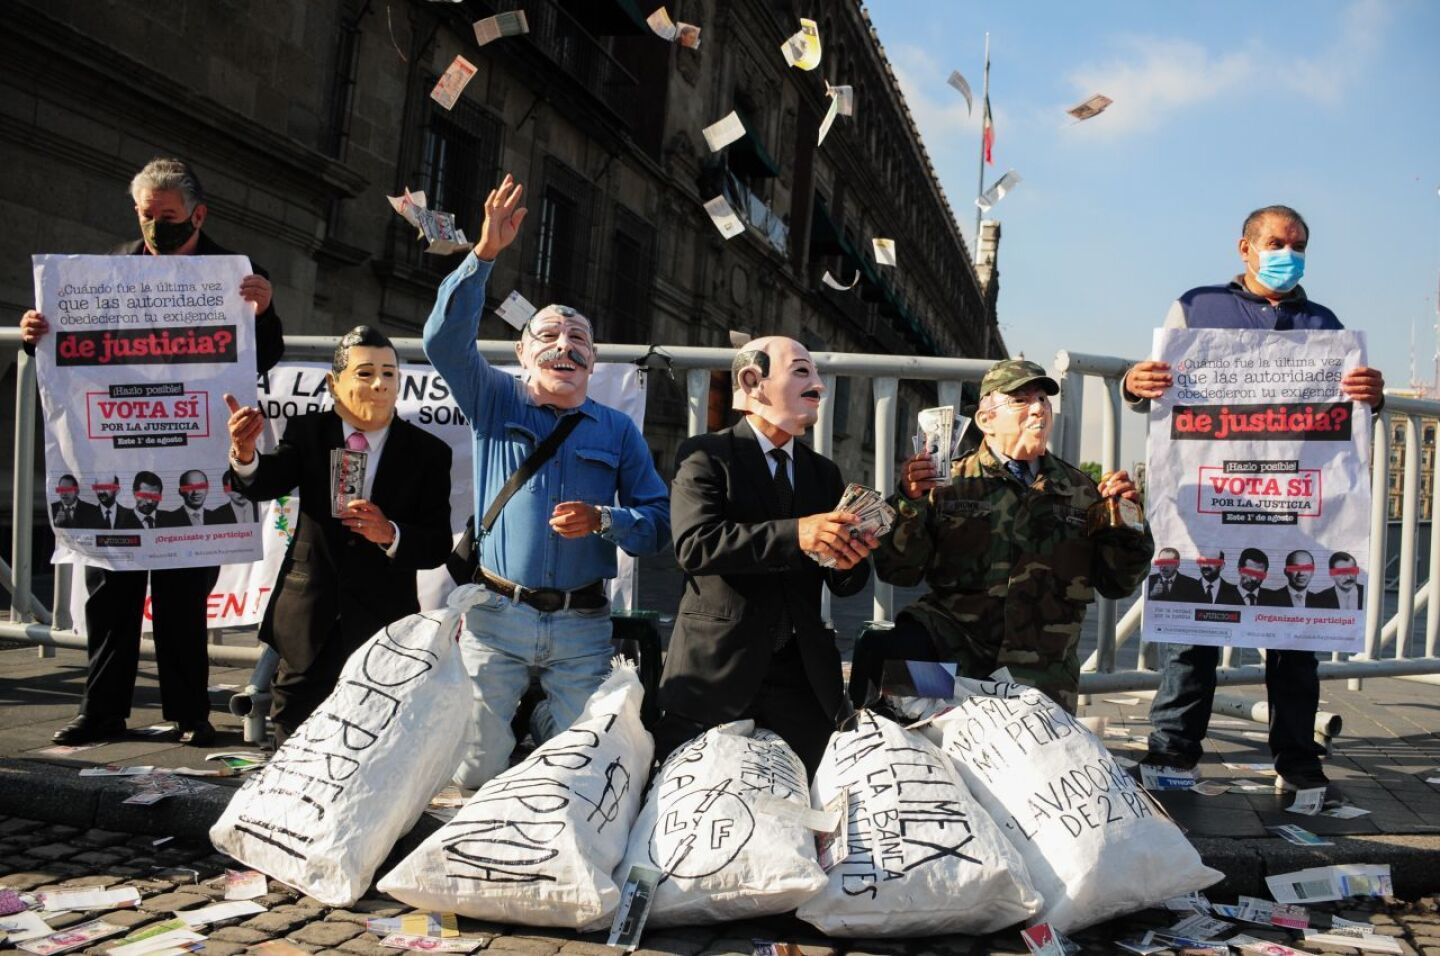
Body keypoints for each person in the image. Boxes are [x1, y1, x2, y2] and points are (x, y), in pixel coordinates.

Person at [22, 157, 286, 746]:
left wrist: (264, 312)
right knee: (111, 592)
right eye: (146, 215)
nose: (155, 226)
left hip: (197, 454)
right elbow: (60, 360)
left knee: (183, 595)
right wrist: (36, 335)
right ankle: (102, 712)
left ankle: (190, 714)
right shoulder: (105, 270)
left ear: (198, 214)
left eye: (167, 216)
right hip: (114, 458)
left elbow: (262, 358)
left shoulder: (237, 274)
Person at [1125, 204, 1385, 794]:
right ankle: (1173, 754)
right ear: (1244, 247)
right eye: (1274, 242)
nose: (1286, 253)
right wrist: (1133, 384)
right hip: (1212, 503)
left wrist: (1374, 395)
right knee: (1194, 633)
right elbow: (1155, 387)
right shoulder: (1196, 306)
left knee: (1296, 641)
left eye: (1298, 245)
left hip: (1297, 513)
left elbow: (1349, 414)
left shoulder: (1325, 323)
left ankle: (1297, 762)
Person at [422, 173, 670, 788]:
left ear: (594, 360)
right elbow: (443, 342)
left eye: (579, 339)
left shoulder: (616, 430)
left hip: (583, 625)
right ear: (523, 355)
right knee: (472, 770)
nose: (565, 346)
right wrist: (482, 256)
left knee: (577, 772)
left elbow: (658, 521)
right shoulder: (495, 400)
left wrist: (607, 521)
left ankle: (540, 731)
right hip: (495, 617)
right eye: (549, 337)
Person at [870, 358, 1154, 715]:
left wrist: (1129, 520)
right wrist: (909, 501)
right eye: (1020, 400)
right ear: (986, 419)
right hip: (953, 661)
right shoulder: (945, 484)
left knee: (1028, 766)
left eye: (1043, 400)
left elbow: (1118, 583)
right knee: (892, 671)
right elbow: (898, 571)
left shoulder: (1082, 492)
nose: (1038, 408)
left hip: (1040, 677)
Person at [656, 336, 876, 776]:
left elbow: (842, 579)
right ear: (752, 381)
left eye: (816, 373)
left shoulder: (823, 472)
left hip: (803, 680)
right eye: (801, 371)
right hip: (715, 674)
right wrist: (798, 533)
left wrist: (850, 560)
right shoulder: (706, 456)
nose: (818, 385)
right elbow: (695, 545)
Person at [225, 326, 453, 744]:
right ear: (335, 383)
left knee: (370, 741)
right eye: (365, 373)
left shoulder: (428, 453)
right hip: (306, 619)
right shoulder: (308, 432)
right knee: (292, 739)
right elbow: (264, 482)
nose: (380, 384)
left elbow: (437, 543)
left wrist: (390, 533)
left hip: (382, 622)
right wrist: (244, 455)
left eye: (389, 373)